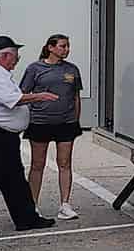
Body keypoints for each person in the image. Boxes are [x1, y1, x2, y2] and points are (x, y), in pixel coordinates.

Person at [0, 34, 59, 239]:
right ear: (5, 56)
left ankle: (26, 218)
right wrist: (40, 96)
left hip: (3, 136)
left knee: (14, 180)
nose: (17, 59)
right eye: (15, 55)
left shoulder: (2, 74)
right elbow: (13, 100)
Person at [20, 32, 85, 222]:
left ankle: (65, 204)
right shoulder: (35, 68)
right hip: (40, 122)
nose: (66, 50)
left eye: (67, 46)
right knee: (37, 164)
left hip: (66, 123)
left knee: (64, 163)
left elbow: (76, 96)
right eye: (62, 46)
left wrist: (75, 119)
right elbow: (24, 94)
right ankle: (32, 205)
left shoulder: (72, 70)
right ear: (50, 47)